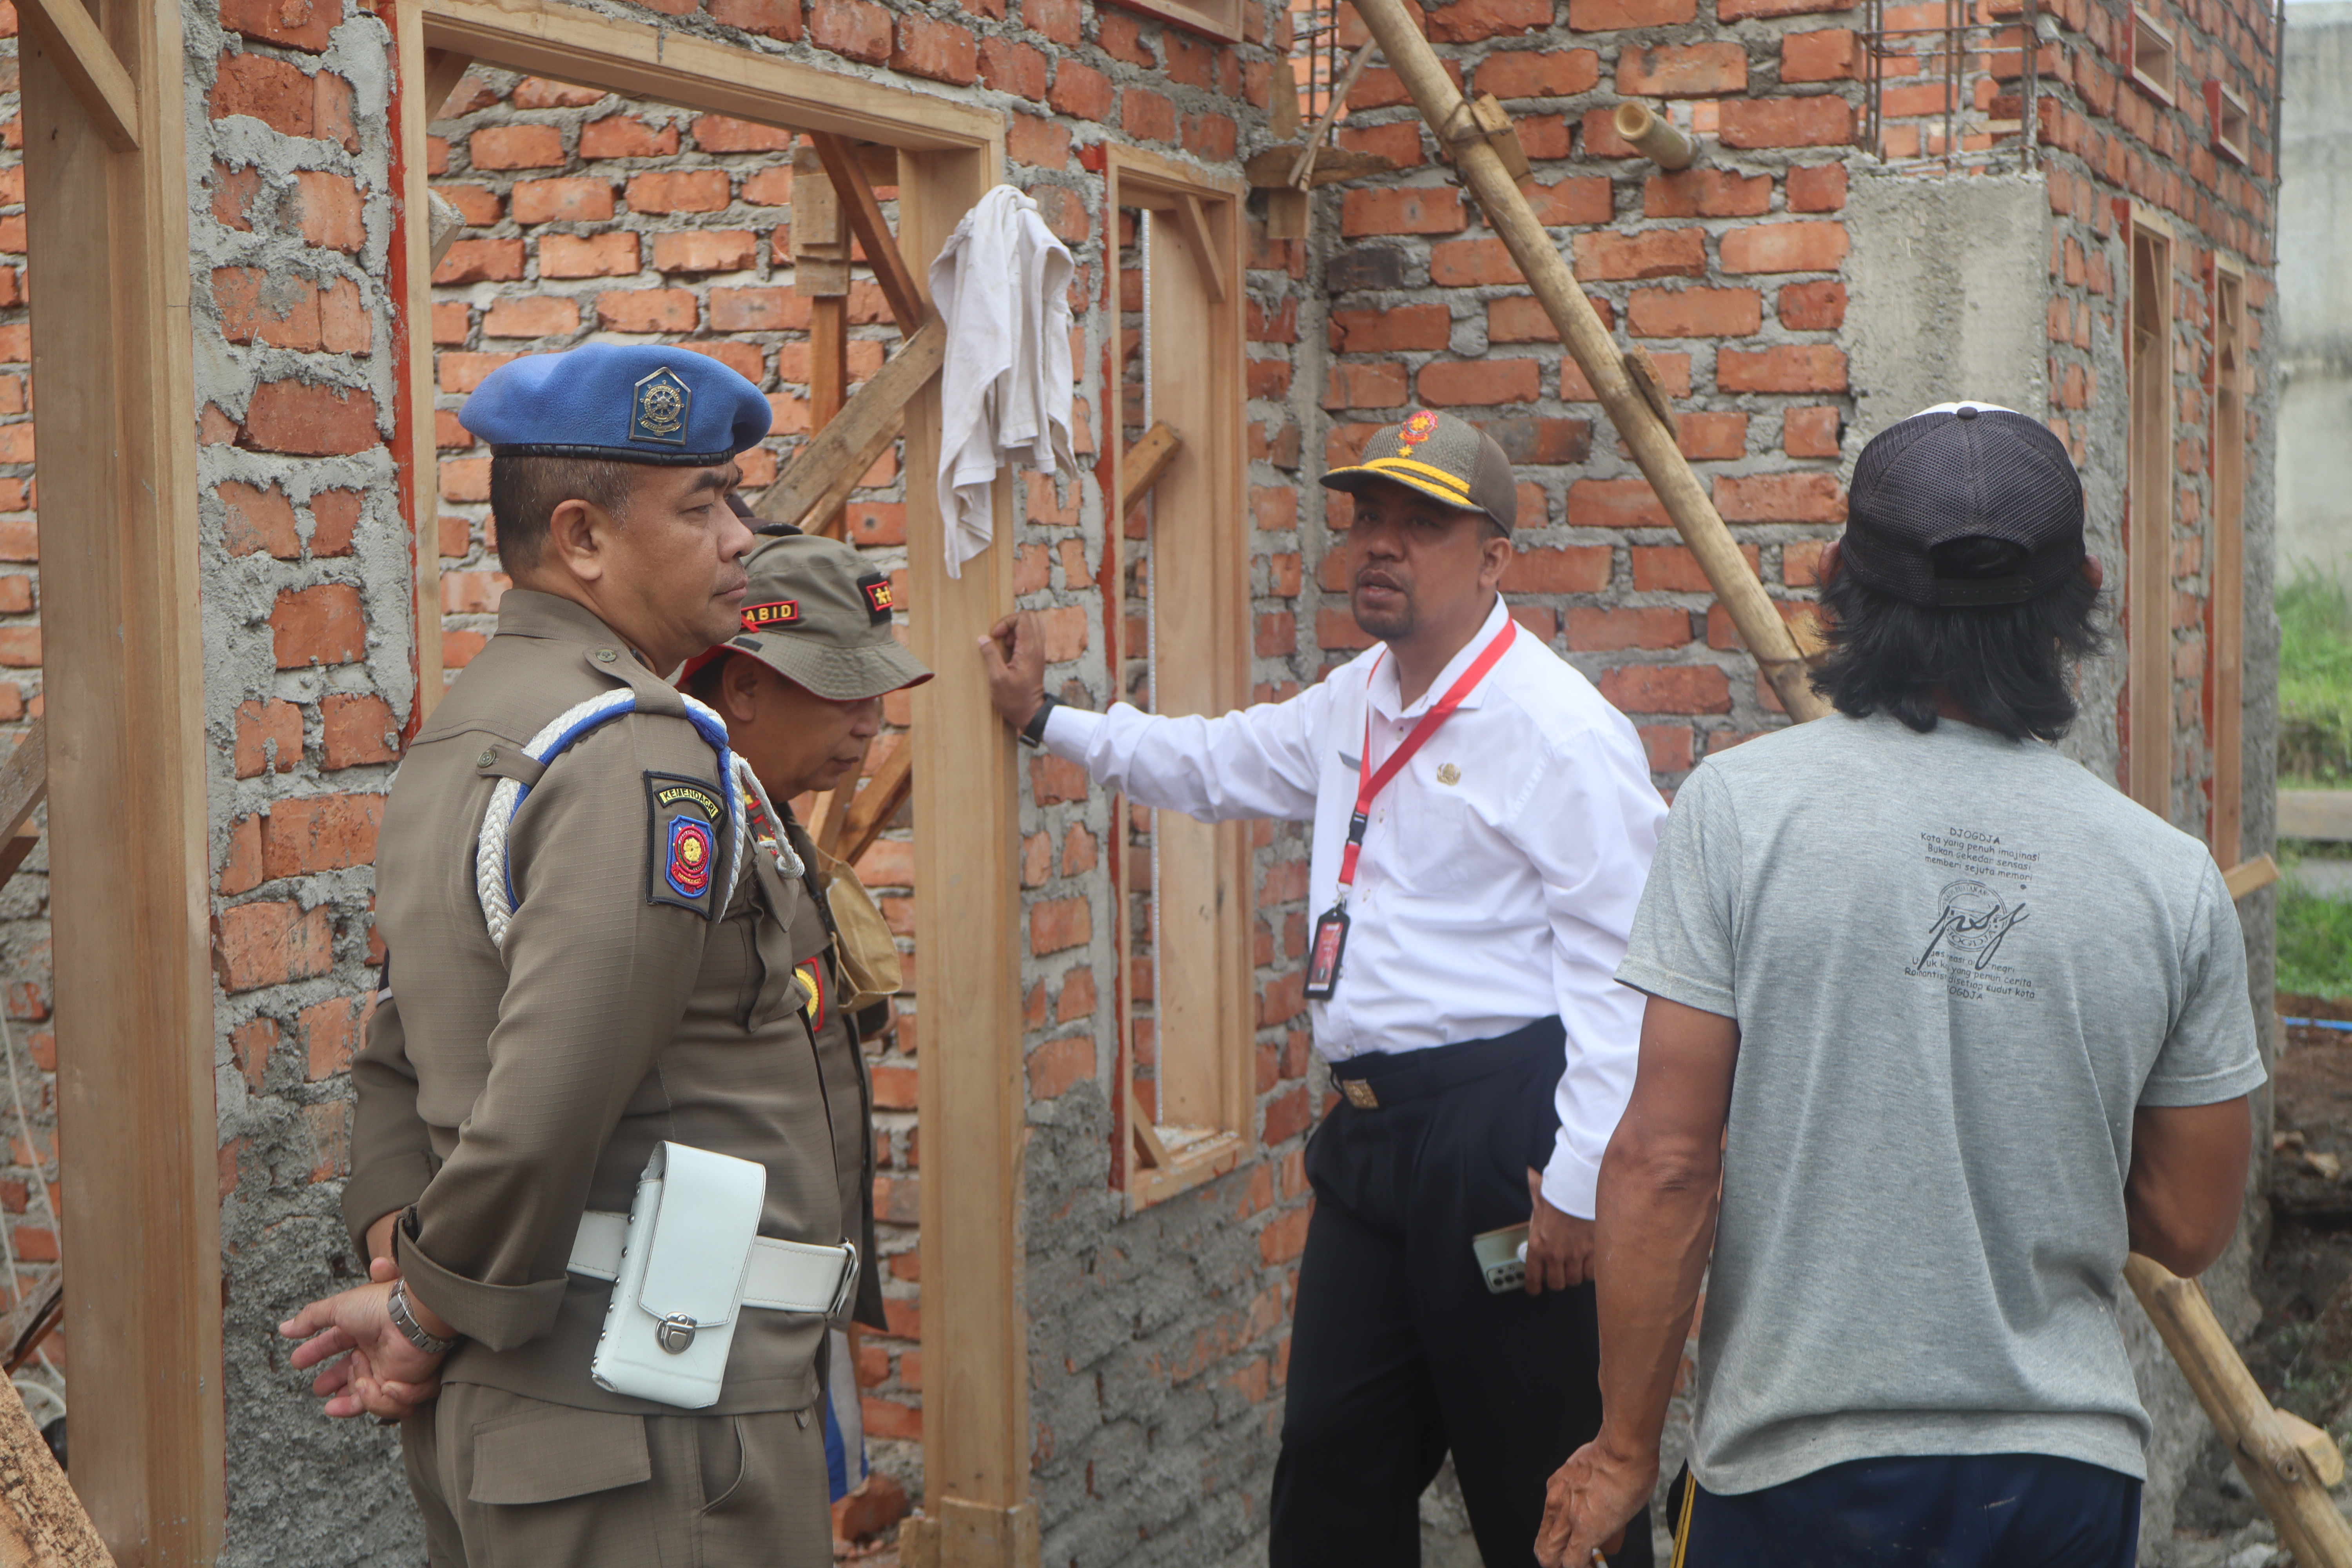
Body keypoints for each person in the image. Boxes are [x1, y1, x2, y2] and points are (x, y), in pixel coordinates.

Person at [1534, 403, 2265, 1568]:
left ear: (1841, 586)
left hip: (1798, 1471)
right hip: (2065, 1480)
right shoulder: (2166, 879)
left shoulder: (1738, 816)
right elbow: (2188, 1224)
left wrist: (1626, 1450)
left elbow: (1667, 1164)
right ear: (2077, 599)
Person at [981, 408, 1665, 1566]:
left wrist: (1583, 1181)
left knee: (1539, 1478)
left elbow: (1622, 971)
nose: (1380, 547)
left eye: (1421, 526)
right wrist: (1050, 721)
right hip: (1367, 1143)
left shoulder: (1559, 731)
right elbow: (1213, 762)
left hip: (1503, 1144)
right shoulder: (1355, 700)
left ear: (1495, 558)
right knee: (1333, 1470)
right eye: (1368, 520)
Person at [279, 345, 852, 1568]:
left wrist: (401, 1245)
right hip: (656, 1428)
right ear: (585, 538)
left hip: (555, 1415)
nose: (744, 537)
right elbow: (553, 1094)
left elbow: (397, 1047)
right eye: (704, 505)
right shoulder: (635, 752)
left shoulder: (479, 727)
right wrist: (426, 1311)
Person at [676, 528, 933, 1502]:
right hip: (709, 1325)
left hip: (782, 1301)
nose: (872, 720)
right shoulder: (692, 837)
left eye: (877, 691)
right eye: (843, 687)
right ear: (743, 688)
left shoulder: (770, 822)